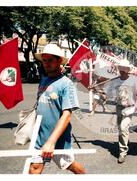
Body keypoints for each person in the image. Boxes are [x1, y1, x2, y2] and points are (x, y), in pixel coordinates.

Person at [30, 44, 85, 174]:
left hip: (58, 141)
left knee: (71, 166)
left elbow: (67, 115)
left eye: (50, 60)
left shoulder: (66, 84)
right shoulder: (43, 80)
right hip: (39, 138)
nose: (46, 64)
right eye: (44, 60)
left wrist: (51, 141)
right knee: (34, 168)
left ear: (59, 61)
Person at [105, 59, 137, 163]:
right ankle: (125, 142)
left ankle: (122, 152)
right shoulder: (115, 81)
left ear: (127, 70)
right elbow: (108, 94)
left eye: (124, 69)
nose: (122, 71)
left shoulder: (134, 80)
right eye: (120, 68)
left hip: (129, 108)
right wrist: (95, 90)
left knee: (123, 127)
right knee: (121, 130)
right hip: (119, 107)